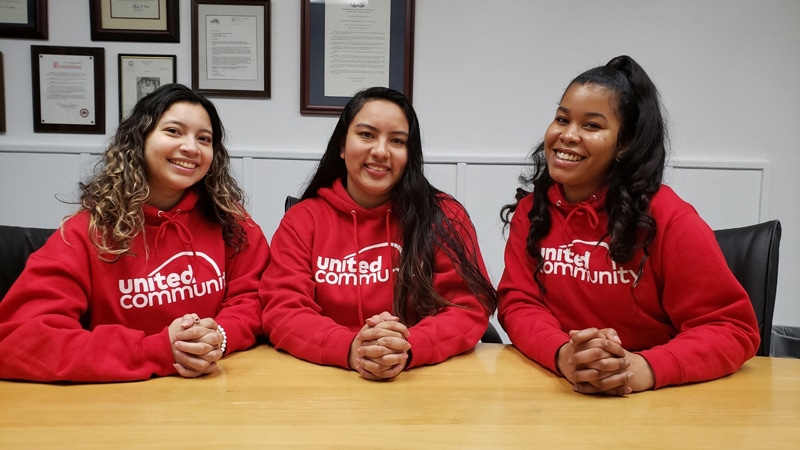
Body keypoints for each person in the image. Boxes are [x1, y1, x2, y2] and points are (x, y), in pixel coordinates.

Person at [497, 55, 760, 395]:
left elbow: (732, 328)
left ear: (624, 143)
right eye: (562, 119)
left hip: (653, 398)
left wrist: (642, 369)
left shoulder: (669, 217)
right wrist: (564, 355)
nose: (568, 135)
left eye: (591, 126)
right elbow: (519, 303)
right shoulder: (533, 211)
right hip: (561, 390)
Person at [0, 84, 270, 382]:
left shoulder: (231, 221)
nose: (191, 148)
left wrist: (219, 335)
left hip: (218, 389)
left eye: (204, 139)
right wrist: (156, 350)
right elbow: (17, 339)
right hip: (123, 397)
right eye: (173, 131)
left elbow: (257, 296)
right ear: (139, 140)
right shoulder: (86, 232)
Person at [261, 87, 497, 381]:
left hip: (422, 380)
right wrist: (351, 349)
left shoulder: (445, 216)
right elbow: (283, 311)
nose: (381, 151)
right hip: (325, 379)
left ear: (409, 154)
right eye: (367, 135)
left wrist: (406, 348)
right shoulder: (302, 219)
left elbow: (468, 306)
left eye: (397, 141)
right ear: (342, 146)